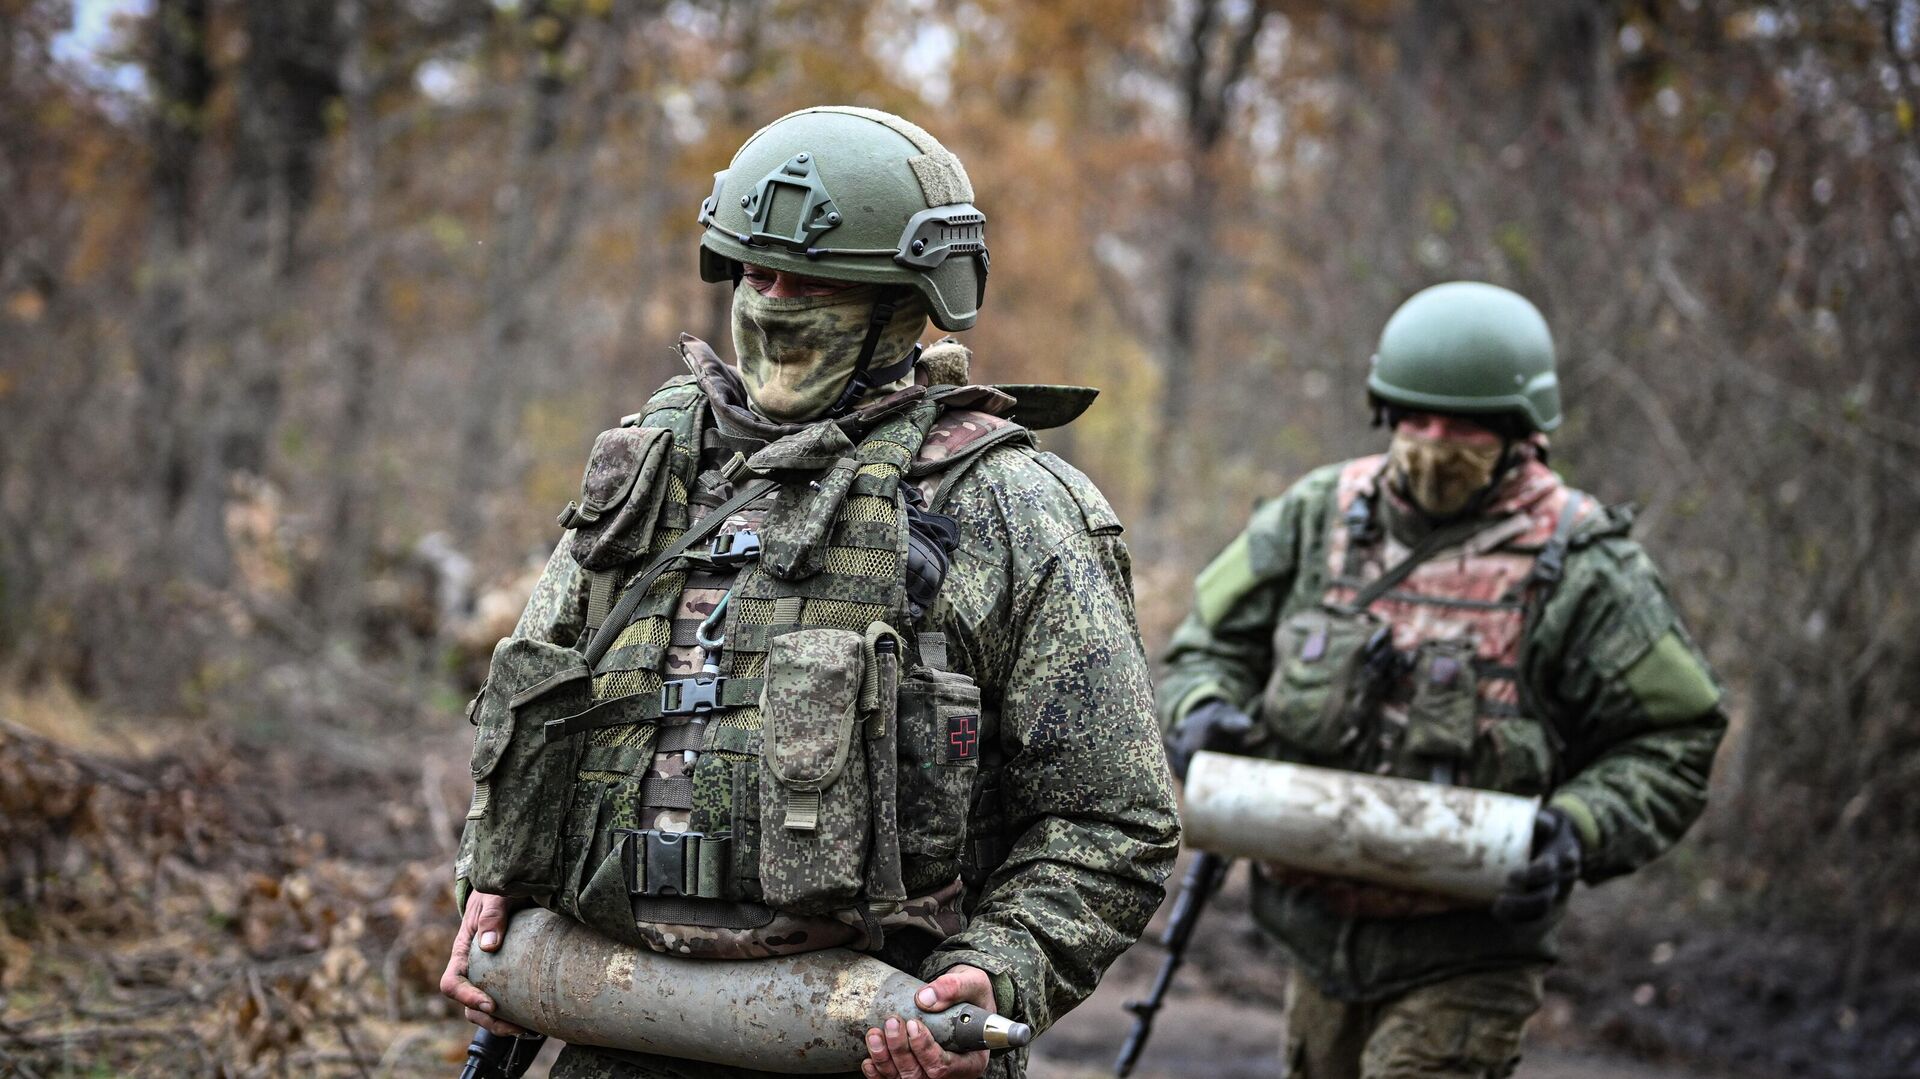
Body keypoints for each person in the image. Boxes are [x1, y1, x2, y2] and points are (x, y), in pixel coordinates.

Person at [438, 105, 1179, 1079]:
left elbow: (1113, 816)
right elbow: (542, 701)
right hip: (617, 1029)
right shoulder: (654, 468)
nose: (775, 301)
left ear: (906, 296)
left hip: (871, 1040)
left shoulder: (1013, 507)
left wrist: (1002, 966)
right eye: (755, 271)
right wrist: (495, 877)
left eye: (815, 279)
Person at [1158, 282, 1726, 1079]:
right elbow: (1207, 646)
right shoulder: (1316, 517)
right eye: (1415, 419)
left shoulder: (1584, 565)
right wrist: (1201, 708)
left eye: (1463, 426)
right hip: (1315, 937)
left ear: (1520, 433)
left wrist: (1580, 827)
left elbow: (1675, 736)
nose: (1432, 442)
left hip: (1470, 954)